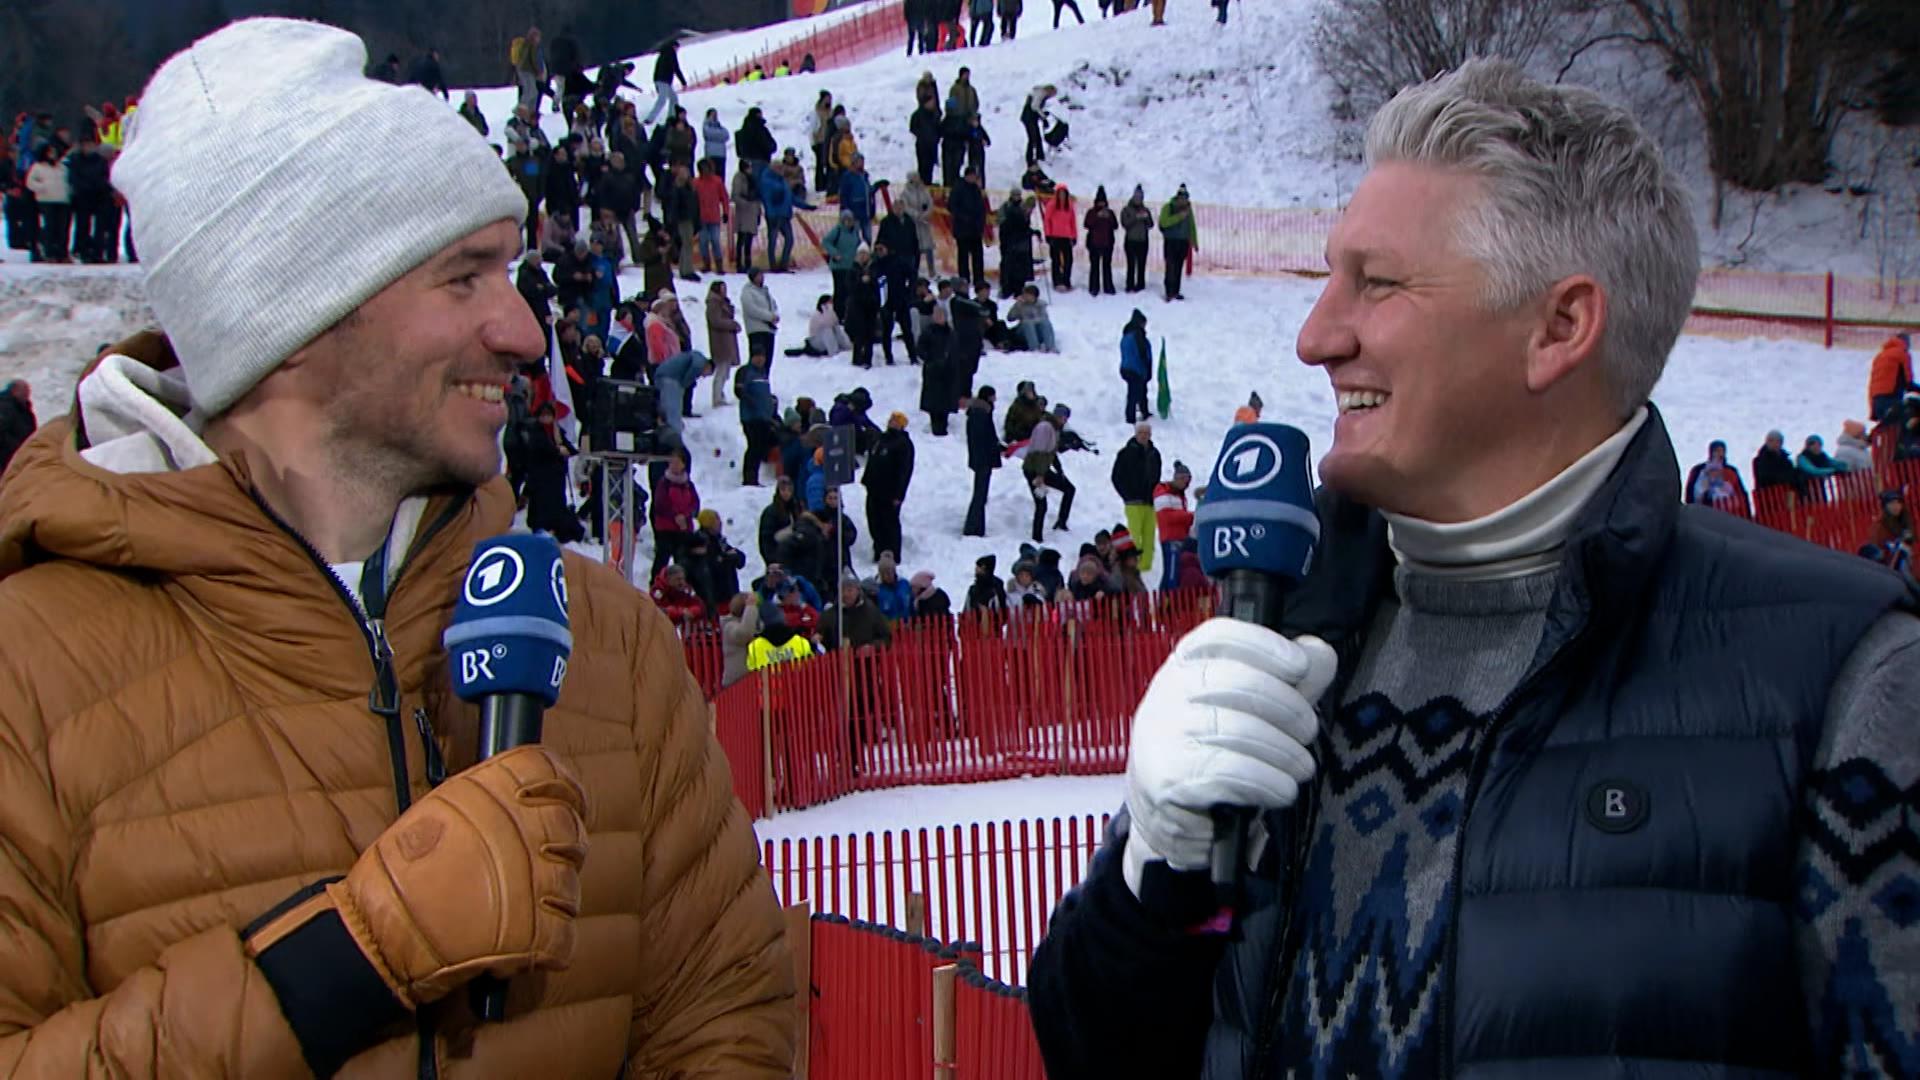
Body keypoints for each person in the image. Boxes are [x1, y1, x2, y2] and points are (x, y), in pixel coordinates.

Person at [1029, 58, 1920, 1079]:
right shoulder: (1284, 625)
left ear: (1559, 328)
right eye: (1330, 276)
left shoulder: (1854, 683)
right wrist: (1156, 870)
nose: (1316, 335)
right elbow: (1097, 1054)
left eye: (1379, 281)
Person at [0, 20, 795, 1076]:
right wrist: (348, 959)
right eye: (464, 277)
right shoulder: (26, 672)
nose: (522, 329)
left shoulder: (604, 640)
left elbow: (728, 1027)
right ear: (294, 314)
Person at [1110, 420, 1160, 573]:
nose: (1144, 436)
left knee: (1149, 536)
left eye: (1147, 433)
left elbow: (1157, 475)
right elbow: (1116, 477)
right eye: (1141, 433)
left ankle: (1146, 567)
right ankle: (1133, 566)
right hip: (1133, 502)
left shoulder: (1154, 453)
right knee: (1135, 535)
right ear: (1136, 434)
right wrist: (1127, 495)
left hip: (1150, 502)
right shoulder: (1125, 453)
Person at [864, 412, 916, 560]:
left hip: (889, 492)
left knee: (889, 524)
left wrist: (899, 494)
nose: (891, 422)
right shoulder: (882, 439)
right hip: (874, 488)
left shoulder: (903, 444)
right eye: (891, 419)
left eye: (895, 420)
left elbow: (904, 471)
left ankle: (892, 554)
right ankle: (878, 550)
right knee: (874, 520)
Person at [1023, 409, 1075, 540]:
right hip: (1033, 470)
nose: (1065, 421)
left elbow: (1051, 452)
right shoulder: (1045, 428)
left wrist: (1059, 471)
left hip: (1043, 469)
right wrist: (1040, 476)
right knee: (1041, 505)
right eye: (1064, 418)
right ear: (1058, 416)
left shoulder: (1054, 428)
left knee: (1069, 489)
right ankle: (1037, 537)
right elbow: (1039, 453)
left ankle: (1061, 522)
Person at [963, 384, 1003, 536]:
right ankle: (973, 528)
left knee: (980, 494)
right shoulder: (980, 413)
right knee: (980, 495)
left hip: (981, 458)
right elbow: (983, 438)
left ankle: (976, 527)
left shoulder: (979, 412)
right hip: (983, 459)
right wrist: (995, 448)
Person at [738, 352, 779, 486]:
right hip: (751, 417)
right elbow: (739, 390)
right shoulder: (745, 371)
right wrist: (752, 403)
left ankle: (753, 477)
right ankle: (749, 478)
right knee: (754, 447)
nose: (761, 359)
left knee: (760, 447)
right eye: (758, 356)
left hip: (763, 417)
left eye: (762, 356)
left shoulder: (763, 373)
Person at [1683, 439, 1750, 513]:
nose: (1720, 454)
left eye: (1722, 451)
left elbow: (1739, 491)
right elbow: (1691, 490)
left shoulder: (1731, 471)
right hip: (1705, 510)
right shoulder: (1699, 470)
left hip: (1729, 510)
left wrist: (1745, 510)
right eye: (1717, 451)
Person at [919, 305, 957, 435]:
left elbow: (955, 349)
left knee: (945, 400)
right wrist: (930, 359)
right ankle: (935, 425)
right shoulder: (928, 331)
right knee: (933, 400)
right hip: (932, 371)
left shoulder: (951, 333)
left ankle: (943, 425)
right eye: (937, 315)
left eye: (941, 315)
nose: (939, 318)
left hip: (948, 372)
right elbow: (920, 349)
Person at [705, 279, 742, 408]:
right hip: (720, 341)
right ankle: (717, 397)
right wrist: (732, 324)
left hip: (726, 340)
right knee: (721, 370)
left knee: (725, 371)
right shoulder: (713, 304)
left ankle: (720, 394)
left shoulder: (721, 303)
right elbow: (715, 321)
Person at [1158, 183, 1197, 300]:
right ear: (1177, 197)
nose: (1183, 200)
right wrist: (1179, 217)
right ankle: (1169, 292)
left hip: (1183, 242)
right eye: (1181, 197)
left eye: (1185, 198)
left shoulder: (1188, 210)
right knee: (1170, 267)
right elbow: (1164, 222)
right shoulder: (1168, 207)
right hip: (1171, 241)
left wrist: (1194, 241)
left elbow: (1191, 225)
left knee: (1179, 268)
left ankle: (1176, 291)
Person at [951, 168, 989, 288]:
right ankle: (964, 278)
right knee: (963, 256)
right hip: (963, 230)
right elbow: (952, 206)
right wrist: (964, 217)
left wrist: (981, 223)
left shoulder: (976, 189)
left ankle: (979, 278)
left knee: (978, 256)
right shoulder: (958, 188)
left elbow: (981, 208)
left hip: (975, 230)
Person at [720, 592, 761, 687]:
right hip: (735, 683)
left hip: (749, 680)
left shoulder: (753, 624)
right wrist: (751, 607)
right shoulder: (729, 626)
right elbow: (745, 634)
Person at [1868, 333, 1912, 422]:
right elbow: (1908, 381)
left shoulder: (1880, 355)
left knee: (1887, 431)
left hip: (1876, 401)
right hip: (1891, 399)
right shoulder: (1902, 353)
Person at [1118, 308, 1153, 423]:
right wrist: (1146, 369)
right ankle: (1132, 417)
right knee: (1137, 393)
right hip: (1136, 369)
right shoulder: (1138, 335)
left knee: (1136, 392)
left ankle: (1139, 412)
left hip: (1125, 368)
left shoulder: (1126, 335)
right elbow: (1143, 354)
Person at [1041, 184, 1078, 290]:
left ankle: (1066, 281)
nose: (1062, 196)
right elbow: (1047, 221)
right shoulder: (1051, 205)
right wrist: (1048, 234)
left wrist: (1074, 236)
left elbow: (1073, 222)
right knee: (1056, 260)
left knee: (1068, 260)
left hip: (1067, 236)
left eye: (1064, 193)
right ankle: (1057, 281)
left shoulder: (1069, 206)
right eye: (1060, 193)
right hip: (1054, 236)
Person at [643, 39, 687, 126]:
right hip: (664, 80)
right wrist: (683, 82)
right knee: (662, 100)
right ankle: (649, 119)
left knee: (673, 98)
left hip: (661, 80)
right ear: (674, 47)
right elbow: (676, 68)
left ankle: (671, 117)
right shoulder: (671, 53)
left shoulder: (663, 53)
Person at [742, 265, 780, 365]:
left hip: (769, 330)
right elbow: (752, 309)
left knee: (768, 361)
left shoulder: (765, 291)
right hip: (756, 330)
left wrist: (775, 316)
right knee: (758, 361)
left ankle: (765, 379)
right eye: (759, 275)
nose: (761, 277)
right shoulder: (748, 292)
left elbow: (773, 305)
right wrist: (769, 317)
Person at [0, 378, 37, 480]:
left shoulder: (24, 408)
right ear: (14, 390)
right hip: (7, 458)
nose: (27, 395)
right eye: (25, 392)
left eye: (28, 392)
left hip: (21, 456)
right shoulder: (5, 406)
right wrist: (17, 447)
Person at [1120, 185, 1153, 293]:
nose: (1138, 199)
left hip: (1143, 241)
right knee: (1131, 264)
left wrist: (1146, 218)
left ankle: (1140, 285)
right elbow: (1125, 224)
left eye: (1140, 197)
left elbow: (1151, 224)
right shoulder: (1126, 209)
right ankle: (1129, 285)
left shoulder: (1146, 210)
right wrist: (1136, 217)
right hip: (1131, 240)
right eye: (1136, 197)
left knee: (1141, 264)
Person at [1007, 285, 1059, 352]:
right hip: (1023, 332)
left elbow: (1043, 318)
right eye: (1024, 295)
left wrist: (1033, 319)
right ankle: (1034, 349)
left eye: (1027, 295)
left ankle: (1050, 347)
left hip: (1038, 332)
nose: (1025, 297)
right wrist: (1017, 306)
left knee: (1045, 322)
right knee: (1028, 322)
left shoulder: (1041, 304)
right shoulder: (1020, 304)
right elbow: (1010, 318)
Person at [1752, 428, 1801, 495]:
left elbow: (1792, 474)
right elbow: (1765, 477)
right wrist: (1786, 478)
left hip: (1786, 494)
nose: (1775, 444)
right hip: (1769, 497)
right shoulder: (1759, 460)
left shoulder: (1786, 460)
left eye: (1778, 441)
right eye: (1771, 441)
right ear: (1767, 442)